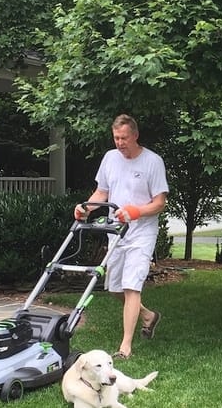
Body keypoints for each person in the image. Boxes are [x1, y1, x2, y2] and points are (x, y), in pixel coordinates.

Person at [74, 114, 169, 359]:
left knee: (131, 286)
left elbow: (160, 203)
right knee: (115, 288)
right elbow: (101, 192)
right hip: (116, 232)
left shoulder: (152, 162)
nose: (120, 143)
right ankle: (148, 316)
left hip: (142, 232)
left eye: (124, 138)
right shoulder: (109, 158)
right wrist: (85, 208)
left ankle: (125, 346)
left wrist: (137, 211)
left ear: (135, 136)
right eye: (116, 138)